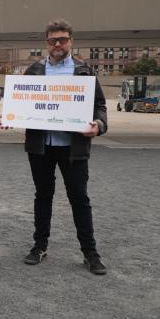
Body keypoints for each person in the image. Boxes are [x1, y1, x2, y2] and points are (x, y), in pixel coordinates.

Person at [22, 19, 108, 275]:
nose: (57, 44)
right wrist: (12, 116)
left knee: (79, 198)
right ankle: (40, 246)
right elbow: (24, 102)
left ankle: (90, 253)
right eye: (52, 40)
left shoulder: (84, 71)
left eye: (62, 39)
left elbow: (100, 105)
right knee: (42, 196)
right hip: (41, 146)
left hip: (73, 147)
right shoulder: (34, 70)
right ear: (46, 43)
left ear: (71, 41)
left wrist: (99, 125)